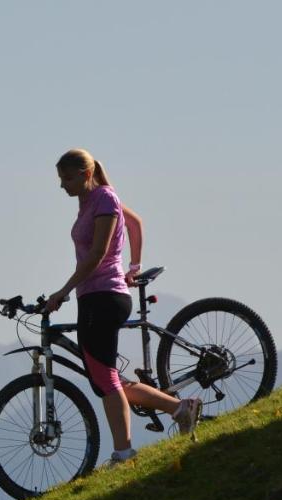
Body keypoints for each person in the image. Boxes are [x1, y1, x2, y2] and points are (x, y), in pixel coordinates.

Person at [44, 148, 201, 464]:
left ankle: (124, 452)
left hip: (104, 296)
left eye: (67, 178)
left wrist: (61, 292)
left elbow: (97, 255)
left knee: (104, 377)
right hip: (92, 297)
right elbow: (135, 223)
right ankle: (180, 409)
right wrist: (133, 266)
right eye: (60, 179)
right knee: (107, 377)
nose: (62, 185)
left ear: (86, 174)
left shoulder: (104, 198)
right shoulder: (91, 202)